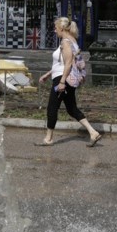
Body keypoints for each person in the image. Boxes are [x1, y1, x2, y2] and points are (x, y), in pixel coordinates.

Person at [37, 17, 102, 147]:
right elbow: (63, 63)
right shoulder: (72, 41)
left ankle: (48, 139)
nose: (55, 31)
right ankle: (93, 132)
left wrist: (61, 82)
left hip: (63, 79)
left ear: (61, 28)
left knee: (52, 107)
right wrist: (48, 74)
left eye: (55, 28)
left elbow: (67, 64)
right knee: (71, 108)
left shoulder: (65, 42)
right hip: (65, 78)